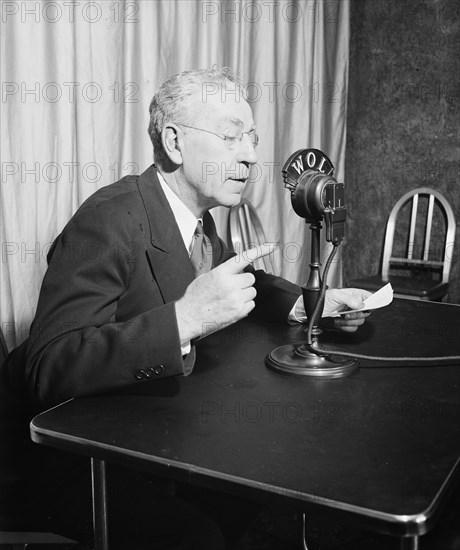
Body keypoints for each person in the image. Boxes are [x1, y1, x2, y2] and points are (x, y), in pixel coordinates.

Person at [1, 67, 370, 549]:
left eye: (253, 139)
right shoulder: (108, 220)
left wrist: (310, 303)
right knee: (196, 536)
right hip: (52, 462)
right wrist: (186, 318)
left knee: (251, 486)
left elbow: (241, 280)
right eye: (231, 137)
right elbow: (47, 365)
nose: (252, 156)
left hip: (138, 435)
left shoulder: (192, 220)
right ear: (175, 143)